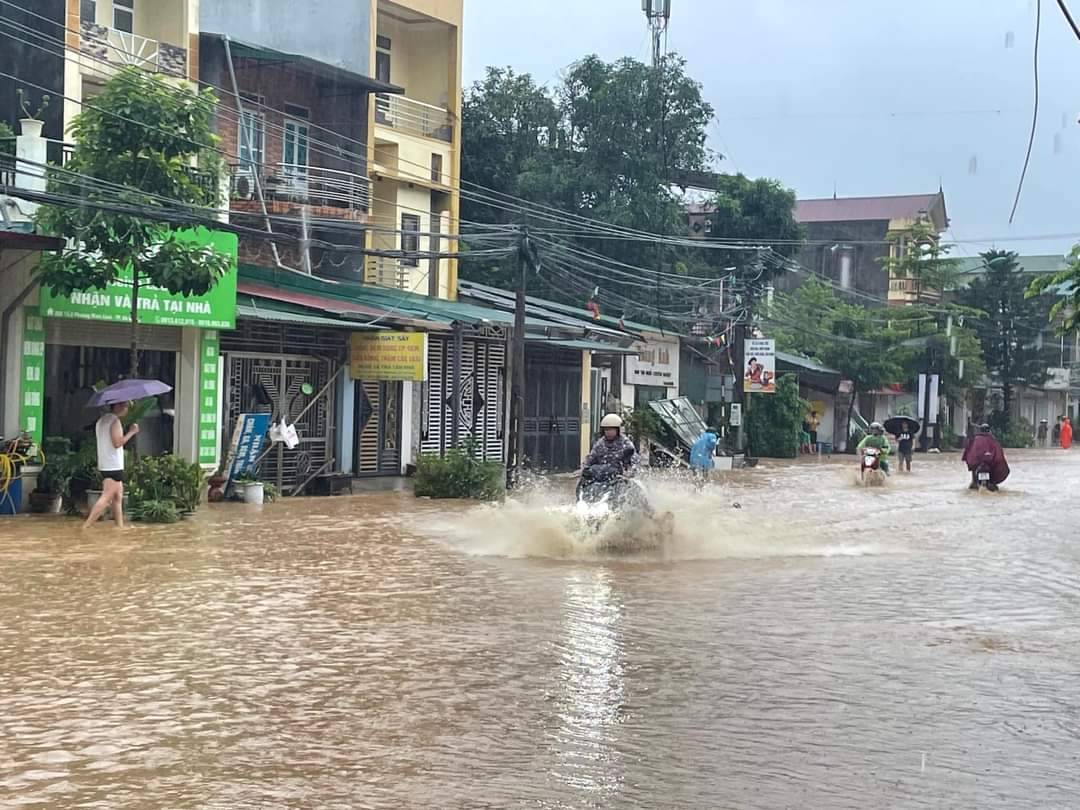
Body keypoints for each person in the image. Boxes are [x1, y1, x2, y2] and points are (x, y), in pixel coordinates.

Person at [83, 401, 139, 529]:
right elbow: (117, 443)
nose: (127, 409)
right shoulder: (115, 421)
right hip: (114, 465)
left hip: (105, 463)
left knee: (118, 496)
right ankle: (86, 526)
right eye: (125, 406)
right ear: (118, 406)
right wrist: (132, 432)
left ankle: (119, 526)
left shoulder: (101, 421)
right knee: (107, 497)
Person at [962, 423, 1010, 491]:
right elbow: (998, 454)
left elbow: (970, 452)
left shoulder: (975, 439)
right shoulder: (993, 440)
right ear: (989, 430)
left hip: (979, 464)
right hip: (988, 465)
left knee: (973, 485)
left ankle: (974, 482)